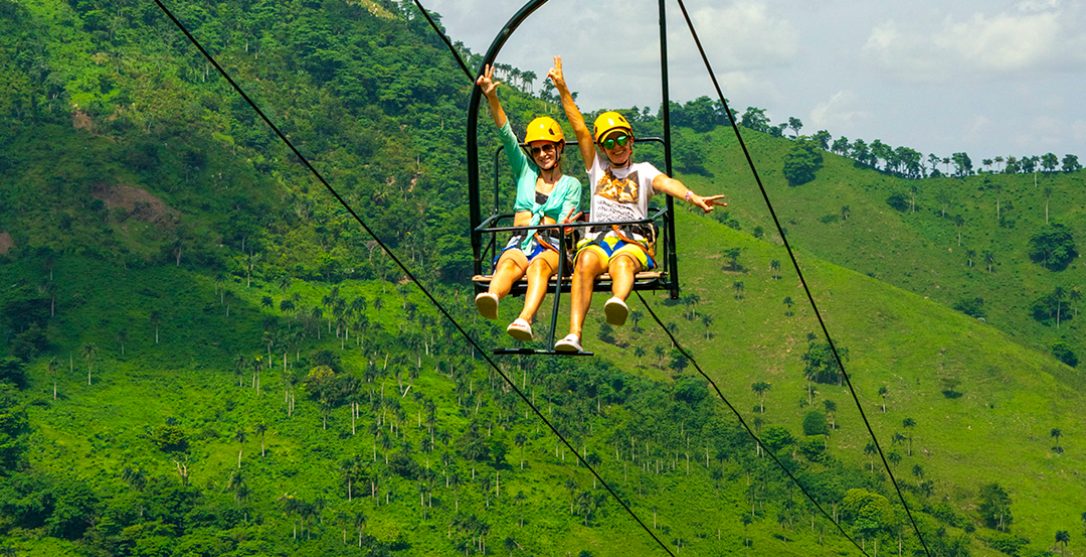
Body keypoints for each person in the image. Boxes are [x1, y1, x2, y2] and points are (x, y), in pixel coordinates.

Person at [547, 56, 727, 353]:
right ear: (603, 148)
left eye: (621, 140)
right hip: (597, 238)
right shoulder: (597, 169)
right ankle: (574, 335)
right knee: (585, 264)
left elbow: (667, 183)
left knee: (623, 263)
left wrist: (691, 196)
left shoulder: (643, 170)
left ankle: (617, 300)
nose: (617, 148)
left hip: (631, 239)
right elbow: (579, 129)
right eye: (609, 143)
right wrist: (563, 89)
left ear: (631, 141)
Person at [473, 64, 583, 341]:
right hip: (520, 241)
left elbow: (565, 222)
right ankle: (493, 296)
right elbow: (506, 136)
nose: (543, 154)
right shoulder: (525, 173)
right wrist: (491, 97)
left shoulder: (571, 184)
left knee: (538, 267)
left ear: (559, 148)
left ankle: (525, 318)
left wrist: (567, 228)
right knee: (508, 262)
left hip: (551, 246)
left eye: (548, 147)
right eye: (537, 149)